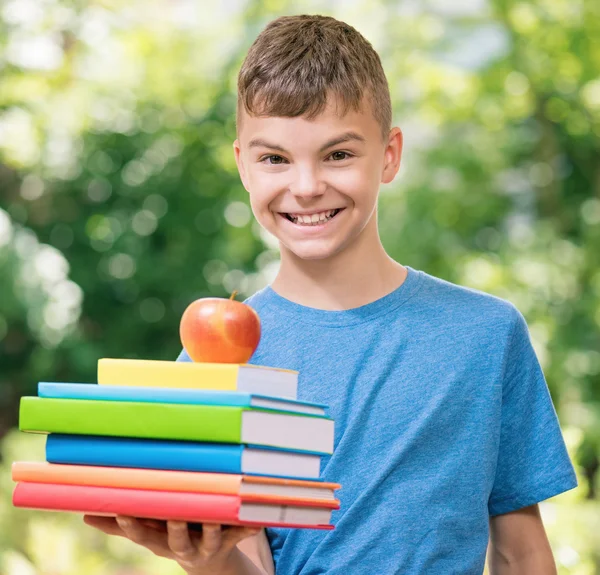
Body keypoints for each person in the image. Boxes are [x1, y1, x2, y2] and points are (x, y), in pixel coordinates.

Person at [85, 14, 578, 575]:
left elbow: (521, 554)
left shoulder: (486, 335)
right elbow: (250, 562)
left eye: (338, 154)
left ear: (389, 154)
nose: (306, 186)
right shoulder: (214, 362)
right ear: (242, 164)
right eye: (274, 158)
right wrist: (207, 560)